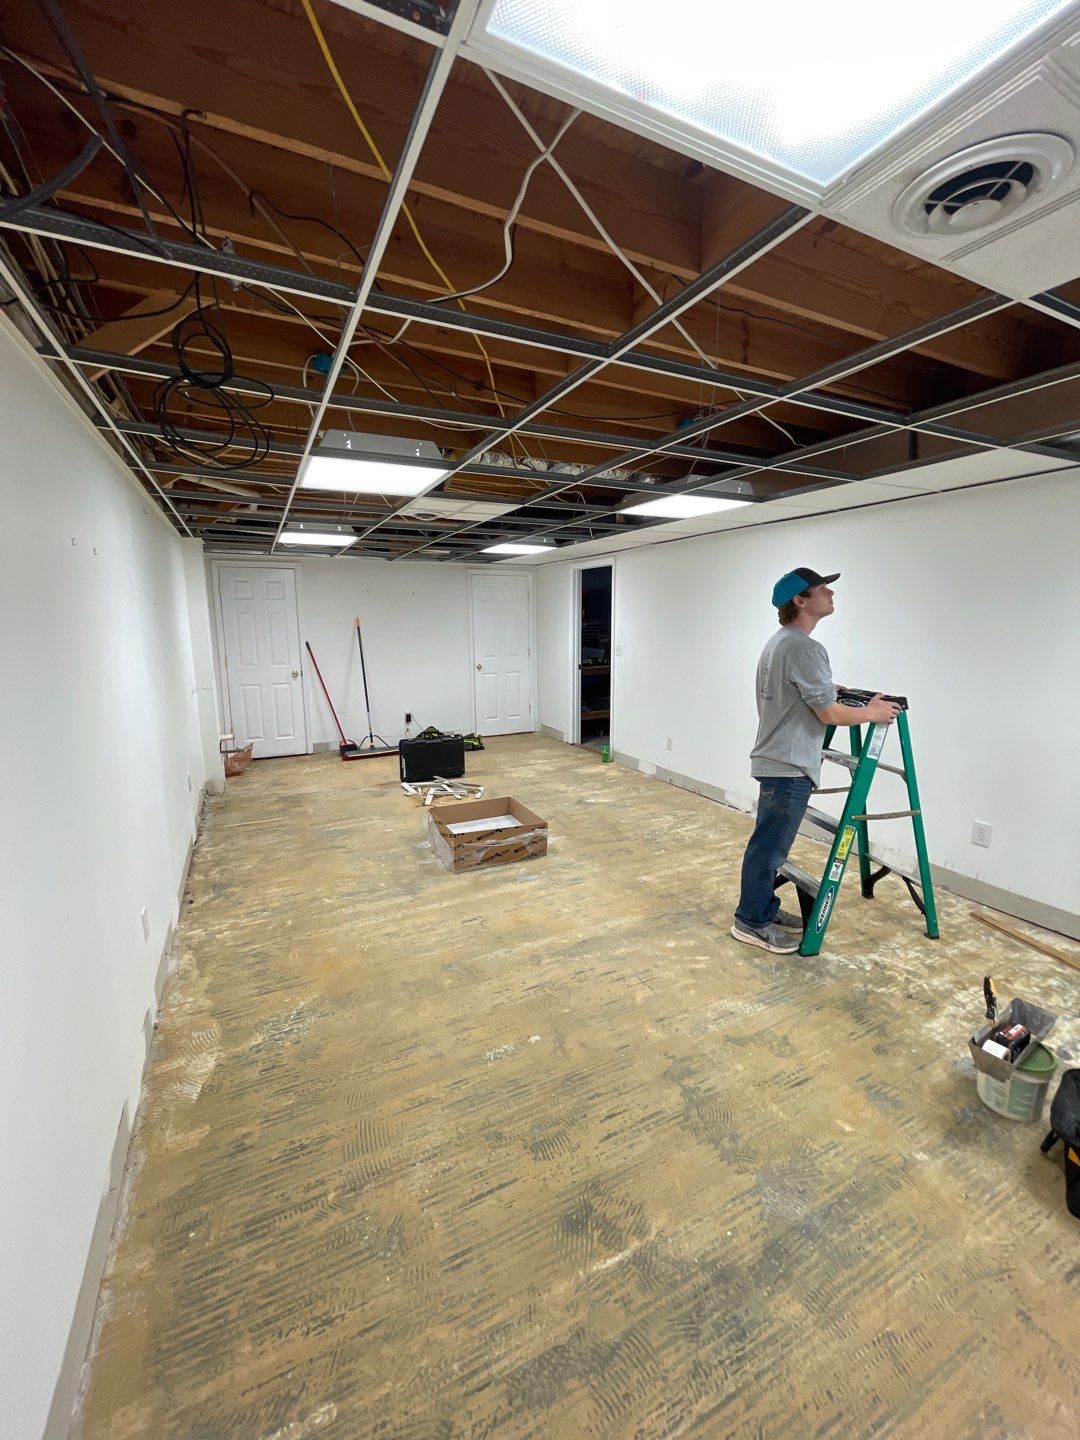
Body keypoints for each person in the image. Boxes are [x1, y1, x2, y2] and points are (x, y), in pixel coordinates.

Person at [730, 567, 901, 954]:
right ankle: (750, 923)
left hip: (776, 758)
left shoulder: (780, 643)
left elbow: (800, 693)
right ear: (800, 601)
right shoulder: (805, 648)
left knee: (767, 845)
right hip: (789, 764)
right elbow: (829, 714)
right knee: (768, 850)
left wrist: (829, 688)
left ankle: (763, 907)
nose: (831, 594)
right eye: (822, 589)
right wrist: (873, 713)